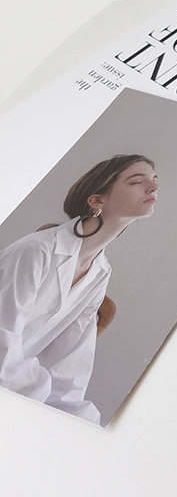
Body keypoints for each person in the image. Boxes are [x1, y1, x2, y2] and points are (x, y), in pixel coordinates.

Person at [0, 154, 158, 423]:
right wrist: (38, 396)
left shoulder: (100, 272)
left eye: (154, 180)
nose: (154, 187)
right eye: (136, 182)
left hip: (19, 398)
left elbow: (70, 367)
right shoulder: (36, 251)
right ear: (96, 200)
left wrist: (80, 425)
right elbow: (3, 342)